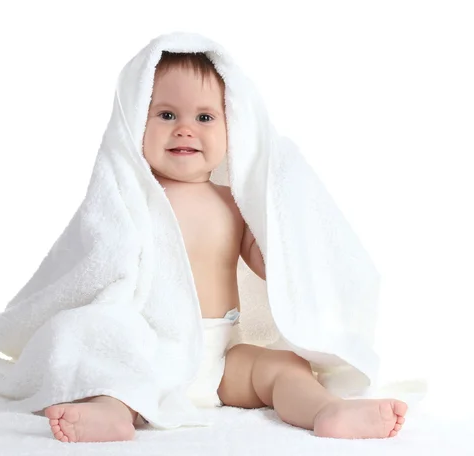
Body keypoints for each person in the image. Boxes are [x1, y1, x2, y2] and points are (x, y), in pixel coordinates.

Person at [42, 51, 407, 443]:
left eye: (204, 117)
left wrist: (289, 221)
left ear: (233, 128)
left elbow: (276, 265)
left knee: (284, 367)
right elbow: (97, 264)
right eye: (166, 115)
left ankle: (325, 410)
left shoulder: (235, 202)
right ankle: (111, 413)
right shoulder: (128, 200)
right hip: (147, 349)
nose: (184, 129)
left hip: (220, 354)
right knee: (112, 374)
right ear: (133, 123)